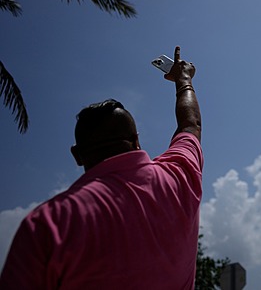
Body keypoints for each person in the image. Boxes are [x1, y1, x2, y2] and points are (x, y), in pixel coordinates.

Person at [0, 46, 203, 289]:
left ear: (77, 155)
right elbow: (190, 125)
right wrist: (184, 79)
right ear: (136, 141)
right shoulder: (179, 177)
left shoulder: (48, 224)